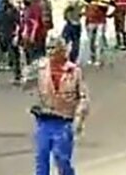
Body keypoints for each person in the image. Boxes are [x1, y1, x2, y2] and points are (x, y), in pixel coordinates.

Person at [31, 37, 89, 175]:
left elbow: (83, 97)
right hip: (44, 120)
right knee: (41, 159)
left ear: (62, 50)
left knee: (62, 159)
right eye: (48, 49)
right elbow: (26, 87)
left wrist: (79, 119)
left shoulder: (74, 71)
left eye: (53, 48)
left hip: (64, 121)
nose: (50, 52)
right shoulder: (40, 68)